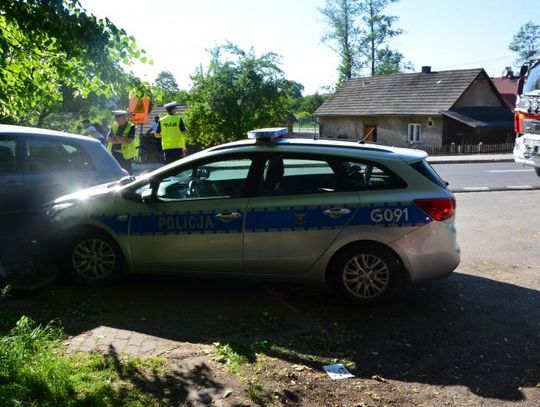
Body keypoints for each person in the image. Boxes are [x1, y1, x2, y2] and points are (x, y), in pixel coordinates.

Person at [106, 110, 139, 174]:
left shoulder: (131, 126)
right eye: (116, 118)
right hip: (114, 154)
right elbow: (108, 139)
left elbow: (129, 141)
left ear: (123, 118)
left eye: (118, 118)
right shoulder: (114, 125)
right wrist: (121, 139)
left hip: (126, 155)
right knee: (117, 173)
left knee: (128, 173)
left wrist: (116, 138)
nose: (116, 120)